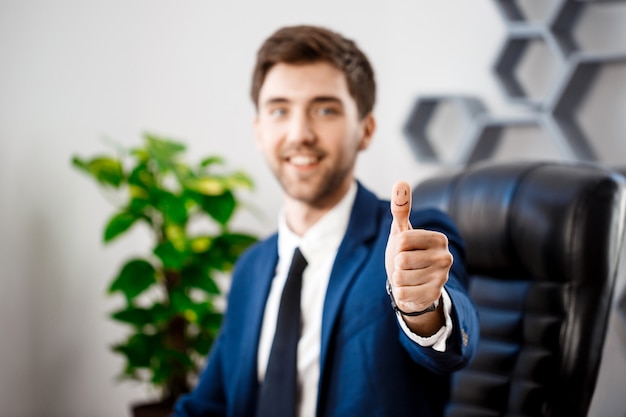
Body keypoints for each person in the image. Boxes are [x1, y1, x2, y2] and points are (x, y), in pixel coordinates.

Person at [172, 24, 479, 417]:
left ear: (365, 130)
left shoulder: (408, 240)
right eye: (279, 110)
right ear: (259, 131)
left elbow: (452, 345)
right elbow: (206, 406)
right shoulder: (251, 268)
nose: (300, 134)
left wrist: (421, 308)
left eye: (325, 109)